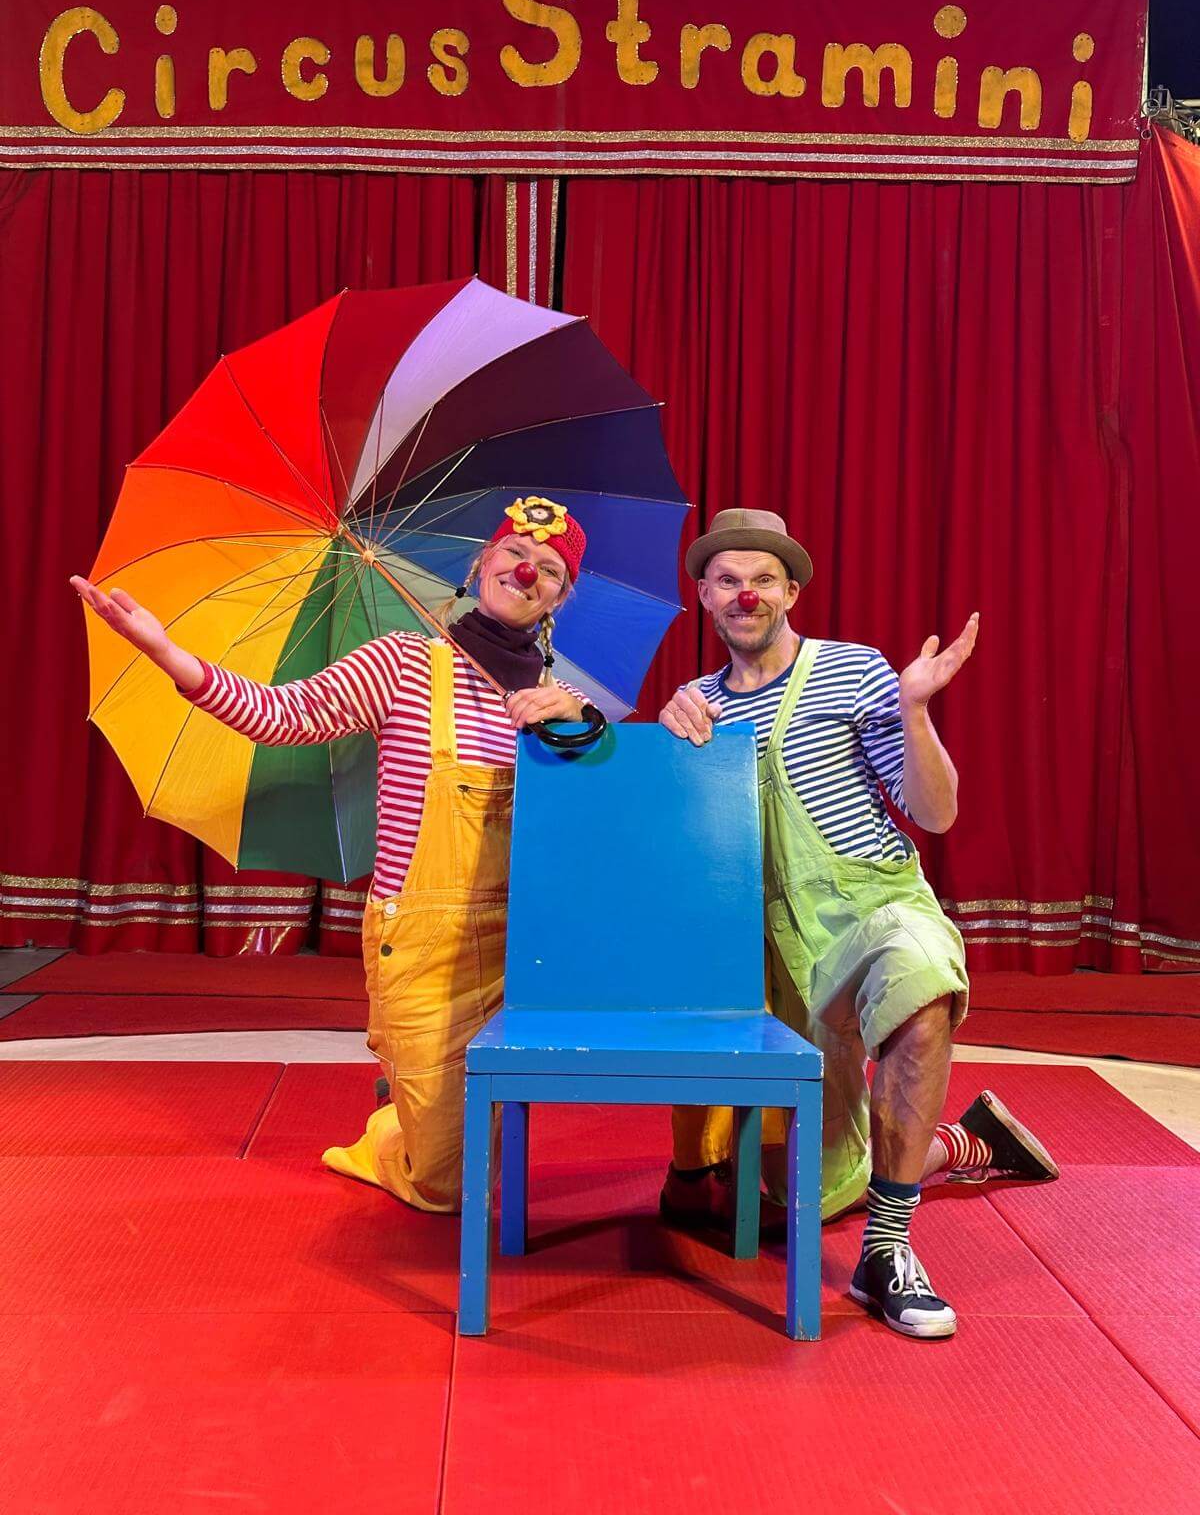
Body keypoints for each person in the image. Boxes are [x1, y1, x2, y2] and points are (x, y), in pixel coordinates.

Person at [71, 494, 588, 1213]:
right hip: (424, 940)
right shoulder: (405, 663)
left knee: (488, 1154)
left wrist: (580, 725)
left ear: (561, 597)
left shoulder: (561, 697)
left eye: (550, 570)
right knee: (446, 1187)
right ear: (482, 562)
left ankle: (419, 1104)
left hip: (523, 944)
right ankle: (388, 1133)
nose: (527, 572)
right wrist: (166, 652)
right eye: (515, 553)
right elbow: (280, 716)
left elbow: (602, 813)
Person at [658, 507, 1057, 1340]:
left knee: (922, 980)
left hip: (870, 911)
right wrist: (673, 745)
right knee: (799, 1195)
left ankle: (888, 1250)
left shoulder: (853, 669)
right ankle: (965, 1144)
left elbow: (935, 814)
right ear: (703, 595)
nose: (745, 594)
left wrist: (914, 712)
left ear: (790, 592)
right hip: (771, 955)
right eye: (727, 580)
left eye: (763, 579)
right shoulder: (696, 704)